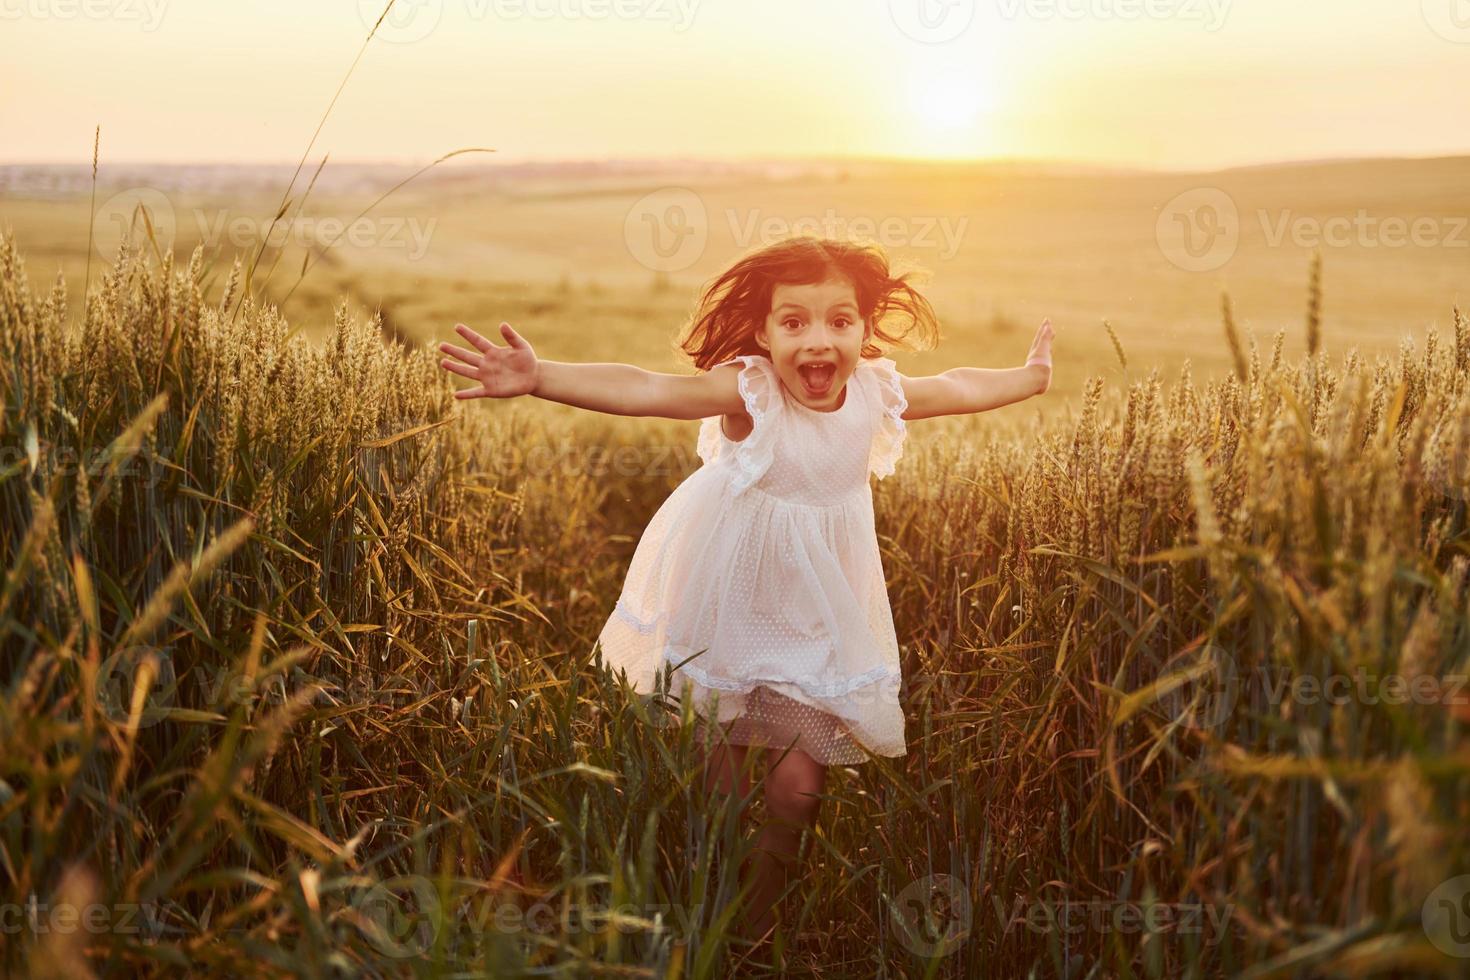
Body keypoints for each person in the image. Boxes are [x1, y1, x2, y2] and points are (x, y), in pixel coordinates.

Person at [437, 235, 1056, 946]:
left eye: (839, 321)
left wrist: (1031, 378)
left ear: (863, 328)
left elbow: (958, 387)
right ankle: (710, 910)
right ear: (763, 333)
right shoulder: (750, 391)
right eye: (794, 322)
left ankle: (761, 925)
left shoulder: (876, 392)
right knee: (723, 786)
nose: (818, 341)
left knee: (796, 789)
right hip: (728, 596)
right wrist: (540, 376)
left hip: (819, 609)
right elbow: (648, 389)